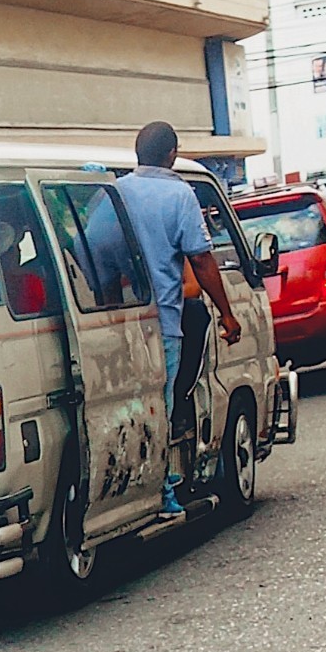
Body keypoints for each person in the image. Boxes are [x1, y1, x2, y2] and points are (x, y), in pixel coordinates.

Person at [114, 121, 241, 516]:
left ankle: (128, 490)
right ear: (172, 154)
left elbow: (100, 249)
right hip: (164, 323)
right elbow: (201, 259)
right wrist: (227, 314)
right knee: (161, 407)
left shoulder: (114, 193)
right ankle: (162, 494)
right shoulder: (179, 194)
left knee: (126, 409)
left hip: (118, 326)